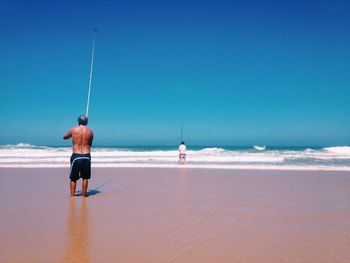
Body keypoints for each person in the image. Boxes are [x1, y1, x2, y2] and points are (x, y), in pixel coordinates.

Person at [63, 115, 94, 197]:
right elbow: (90, 144)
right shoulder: (90, 132)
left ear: (78, 121)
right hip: (86, 156)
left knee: (73, 178)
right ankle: (84, 195)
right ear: (86, 122)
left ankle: (72, 196)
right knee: (85, 177)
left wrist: (73, 136)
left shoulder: (73, 130)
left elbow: (64, 137)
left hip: (76, 156)